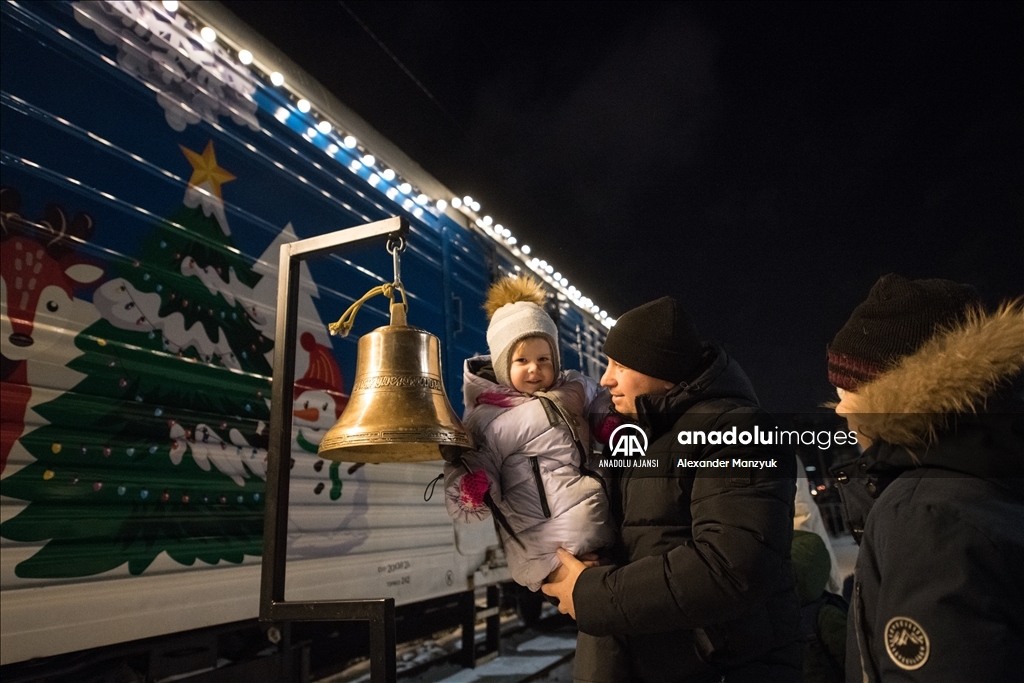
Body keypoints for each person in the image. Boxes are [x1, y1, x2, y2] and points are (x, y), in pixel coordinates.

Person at [542, 296, 801, 683]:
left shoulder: (739, 430)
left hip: (716, 668)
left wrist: (593, 594)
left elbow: (731, 567)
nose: (607, 379)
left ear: (662, 369)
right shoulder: (635, 436)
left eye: (621, 365)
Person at [826, 274, 1024, 681]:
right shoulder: (989, 467)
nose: (840, 408)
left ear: (894, 391)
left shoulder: (924, 514)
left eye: (848, 389)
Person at [443, 276, 617, 591]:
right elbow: (474, 463)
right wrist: (469, 491)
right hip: (544, 550)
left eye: (543, 359)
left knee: (606, 603)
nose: (534, 368)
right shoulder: (488, 419)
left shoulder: (574, 387)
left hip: (599, 529)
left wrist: (608, 422)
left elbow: (601, 400)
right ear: (501, 366)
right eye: (521, 360)